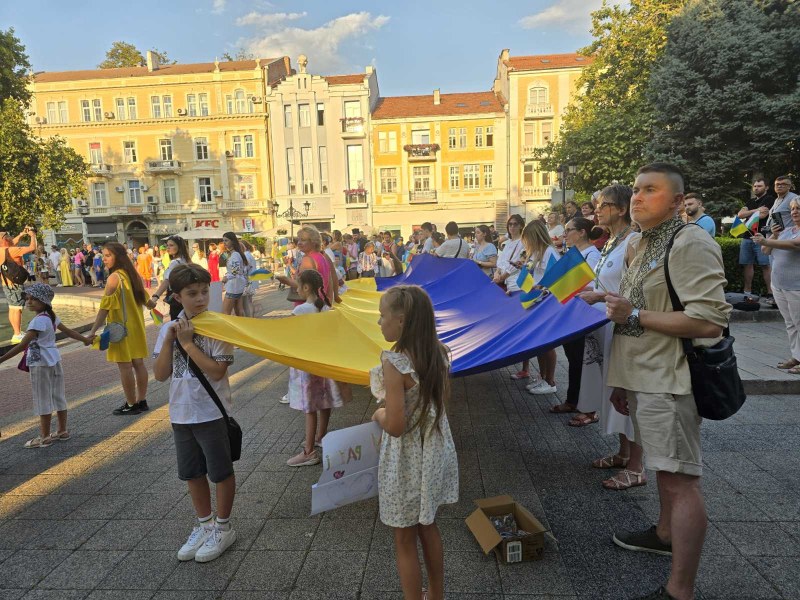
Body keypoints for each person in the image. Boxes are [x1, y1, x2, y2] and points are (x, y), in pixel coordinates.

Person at [605, 163, 730, 600]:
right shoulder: (639, 241)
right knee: (665, 468)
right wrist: (622, 380)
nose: (637, 197)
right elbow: (637, 308)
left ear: (678, 201)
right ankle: (663, 533)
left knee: (681, 479)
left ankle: (681, 590)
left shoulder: (690, 241)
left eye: (650, 190)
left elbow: (709, 320)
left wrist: (632, 314)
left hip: (670, 380)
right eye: (636, 189)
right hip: (642, 375)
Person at [371, 285, 459, 600]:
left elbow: (396, 425)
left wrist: (379, 414)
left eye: (382, 316)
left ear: (402, 320)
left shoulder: (394, 362)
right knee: (428, 526)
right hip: (433, 452)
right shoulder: (437, 352)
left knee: (404, 539)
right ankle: (435, 595)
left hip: (406, 459)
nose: (379, 322)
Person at [152, 263, 237, 563]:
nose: (201, 298)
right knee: (192, 473)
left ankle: (224, 527)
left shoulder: (218, 327)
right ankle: (205, 524)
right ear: (177, 296)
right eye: (192, 293)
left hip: (211, 412)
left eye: (205, 291)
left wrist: (188, 344)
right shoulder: (169, 328)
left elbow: (217, 372)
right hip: (180, 414)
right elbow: (160, 375)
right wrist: (170, 341)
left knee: (220, 471)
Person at [575, 185, 645, 489]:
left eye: (602, 205)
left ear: (620, 209)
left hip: (624, 328)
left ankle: (638, 466)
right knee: (614, 392)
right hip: (605, 325)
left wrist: (599, 295)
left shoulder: (634, 240)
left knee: (629, 394)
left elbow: (637, 291)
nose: (596, 210)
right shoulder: (612, 241)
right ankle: (622, 453)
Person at [0, 283, 92, 447]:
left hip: (40, 363)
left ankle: (44, 436)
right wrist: (85, 339)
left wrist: (1, 359)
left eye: (34, 299)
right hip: (54, 359)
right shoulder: (51, 317)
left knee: (43, 397)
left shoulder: (37, 322)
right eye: (27, 298)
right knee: (58, 395)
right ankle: (62, 431)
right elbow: (69, 332)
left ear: (44, 301)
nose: (29, 302)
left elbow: (22, 346)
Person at [285, 269, 343, 466]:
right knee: (323, 402)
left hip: (307, 365)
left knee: (309, 408)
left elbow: (288, 334)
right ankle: (320, 437)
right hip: (323, 362)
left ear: (306, 287)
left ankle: (308, 451)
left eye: (298, 285)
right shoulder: (326, 307)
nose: (297, 289)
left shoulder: (300, 310)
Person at [88, 242, 151, 416]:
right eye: (104, 255)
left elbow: (104, 308)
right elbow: (150, 302)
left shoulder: (114, 278)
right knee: (139, 364)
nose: (104, 259)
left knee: (125, 366)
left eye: (108, 255)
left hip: (121, 329)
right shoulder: (132, 275)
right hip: (136, 326)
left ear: (118, 257)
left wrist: (93, 331)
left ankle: (131, 404)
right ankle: (142, 400)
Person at [549, 217, 602, 418]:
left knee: (582, 360)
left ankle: (586, 406)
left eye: (569, 230)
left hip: (583, 314)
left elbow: (593, 285)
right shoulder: (573, 254)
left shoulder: (592, 255)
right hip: (570, 312)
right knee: (573, 358)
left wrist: (565, 286)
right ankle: (573, 400)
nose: (565, 234)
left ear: (582, 232)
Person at [753, 198, 800, 374]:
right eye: (792, 209)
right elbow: (766, 251)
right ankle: (796, 356)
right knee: (790, 323)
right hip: (779, 285)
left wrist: (766, 241)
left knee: (799, 322)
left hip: (796, 286)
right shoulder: (786, 230)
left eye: (798, 209)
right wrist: (773, 235)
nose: (794, 212)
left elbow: (795, 244)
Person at [519, 220, 560, 395]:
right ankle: (543, 377)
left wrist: (540, 287)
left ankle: (550, 381)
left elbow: (556, 278)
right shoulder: (536, 253)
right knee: (540, 343)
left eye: (528, 239)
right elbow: (533, 275)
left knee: (547, 343)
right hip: (537, 302)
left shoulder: (550, 252)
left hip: (547, 303)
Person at [738, 179, 774, 301]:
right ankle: (747, 292)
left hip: (762, 237)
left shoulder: (769, 200)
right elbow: (740, 215)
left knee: (765, 265)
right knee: (747, 264)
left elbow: (763, 215)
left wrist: (749, 212)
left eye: (759, 186)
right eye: (755, 186)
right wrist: (756, 210)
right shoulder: (751, 201)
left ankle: (771, 293)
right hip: (747, 237)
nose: (756, 188)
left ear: (767, 187)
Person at [0, 227, 37, 343]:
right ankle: (17, 334)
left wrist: (21, 234)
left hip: (7, 283)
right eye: (9, 236)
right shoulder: (12, 250)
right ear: (4, 239)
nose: (12, 238)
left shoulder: (3, 250)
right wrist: (32, 235)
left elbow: (12, 243)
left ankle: (17, 332)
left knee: (12, 308)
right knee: (17, 309)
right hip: (15, 284)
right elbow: (32, 247)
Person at [149, 236, 193, 321]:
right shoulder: (186, 260)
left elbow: (167, 281)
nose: (168, 248)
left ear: (179, 247)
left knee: (177, 324)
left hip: (176, 298)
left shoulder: (175, 262)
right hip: (186, 297)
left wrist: (155, 297)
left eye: (171, 245)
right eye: (167, 245)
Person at [220, 232, 249, 317]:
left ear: (232, 241)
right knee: (238, 310)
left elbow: (235, 271)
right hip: (237, 284)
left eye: (226, 240)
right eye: (223, 241)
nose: (224, 243)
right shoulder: (234, 253)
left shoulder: (235, 254)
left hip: (234, 285)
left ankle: (229, 329)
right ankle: (242, 327)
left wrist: (226, 277)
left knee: (226, 312)